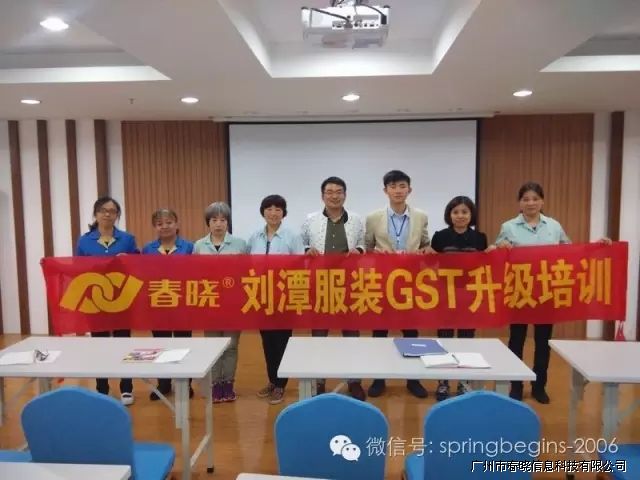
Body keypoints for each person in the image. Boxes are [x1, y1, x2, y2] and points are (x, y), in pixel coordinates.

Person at [494, 181, 570, 404]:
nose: (530, 203)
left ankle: (539, 386)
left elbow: (570, 251)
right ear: (519, 203)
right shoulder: (508, 226)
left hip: (546, 291)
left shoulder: (553, 226)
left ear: (542, 201)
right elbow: (498, 252)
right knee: (516, 340)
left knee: (543, 341)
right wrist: (501, 247)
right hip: (519, 291)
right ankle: (516, 385)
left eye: (535, 199)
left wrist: (599, 246)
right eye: (525, 199)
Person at [364, 170, 431, 398]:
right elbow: (367, 247)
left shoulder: (420, 216)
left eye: (402, 186)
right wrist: (376, 254)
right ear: (385, 190)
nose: (398, 190)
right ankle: (378, 378)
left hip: (411, 282)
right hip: (383, 281)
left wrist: (425, 251)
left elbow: (426, 243)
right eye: (393, 186)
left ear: (409, 189)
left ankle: (413, 379)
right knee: (379, 331)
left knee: (410, 331)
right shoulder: (374, 217)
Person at [301, 176, 366, 401]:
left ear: (345, 195)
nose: (334, 196)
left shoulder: (356, 219)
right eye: (329, 192)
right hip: (320, 284)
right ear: (322, 196)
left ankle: (354, 381)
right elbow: (303, 243)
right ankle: (319, 381)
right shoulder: (310, 219)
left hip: (349, 284)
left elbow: (363, 243)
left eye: (339, 192)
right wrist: (307, 249)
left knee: (351, 335)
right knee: (320, 335)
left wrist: (359, 250)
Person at [75, 196, 138, 406]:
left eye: (112, 211)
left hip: (122, 299)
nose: (107, 214)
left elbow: (138, 265)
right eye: (103, 210)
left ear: (117, 215)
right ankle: (102, 387)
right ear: (96, 213)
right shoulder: (84, 241)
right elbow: (77, 268)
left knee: (123, 343)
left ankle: (126, 387)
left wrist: (129, 260)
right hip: (95, 300)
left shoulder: (127, 239)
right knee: (99, 345)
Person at [428, 196, 488, 401]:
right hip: (445, 295)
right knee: (444, 340)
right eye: (455, 212)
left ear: (471, 215)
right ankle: (443, 382)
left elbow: (485, 265)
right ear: (449, 215)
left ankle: (464, 382)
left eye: (464, 212)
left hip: (470, 296)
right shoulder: (440, 237)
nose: (460, 216)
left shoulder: (480, 238)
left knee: (466, 340)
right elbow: (430, 265)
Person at [247, 194, 305, 405]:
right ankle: (272, 380)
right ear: (263, 212)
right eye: (269, 209)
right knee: (267, 342)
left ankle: (281, 384)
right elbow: (248, 265)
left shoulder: (292, 236)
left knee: (282, 341)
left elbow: (300, 265)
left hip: (284, 297)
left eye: (278, 209)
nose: (273, 213)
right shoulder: (254, 237)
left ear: (283, 213)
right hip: (261, 296)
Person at [193, 202, 247, 403]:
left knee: (231, 346)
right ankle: (216, 384)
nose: (218, 224)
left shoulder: (240, 244)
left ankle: (228, 384)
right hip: (210, 303)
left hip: (233, 303)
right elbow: (193, 274)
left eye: (223, 220)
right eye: (214, 220)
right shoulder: (199, 245)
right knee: (213, 346)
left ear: (228, 222)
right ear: (208, 222)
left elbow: (248, 273)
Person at [141, 208, 194, 401]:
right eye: (160, 223)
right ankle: (163, 383)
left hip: (182, 303)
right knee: (161, 344)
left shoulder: (189, 247)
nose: (165, 226)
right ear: (154, 227)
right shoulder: (147, 249)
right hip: (158, 303)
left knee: (182, 343)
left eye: (169, 222)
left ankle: (185, 383)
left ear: (177, 224)